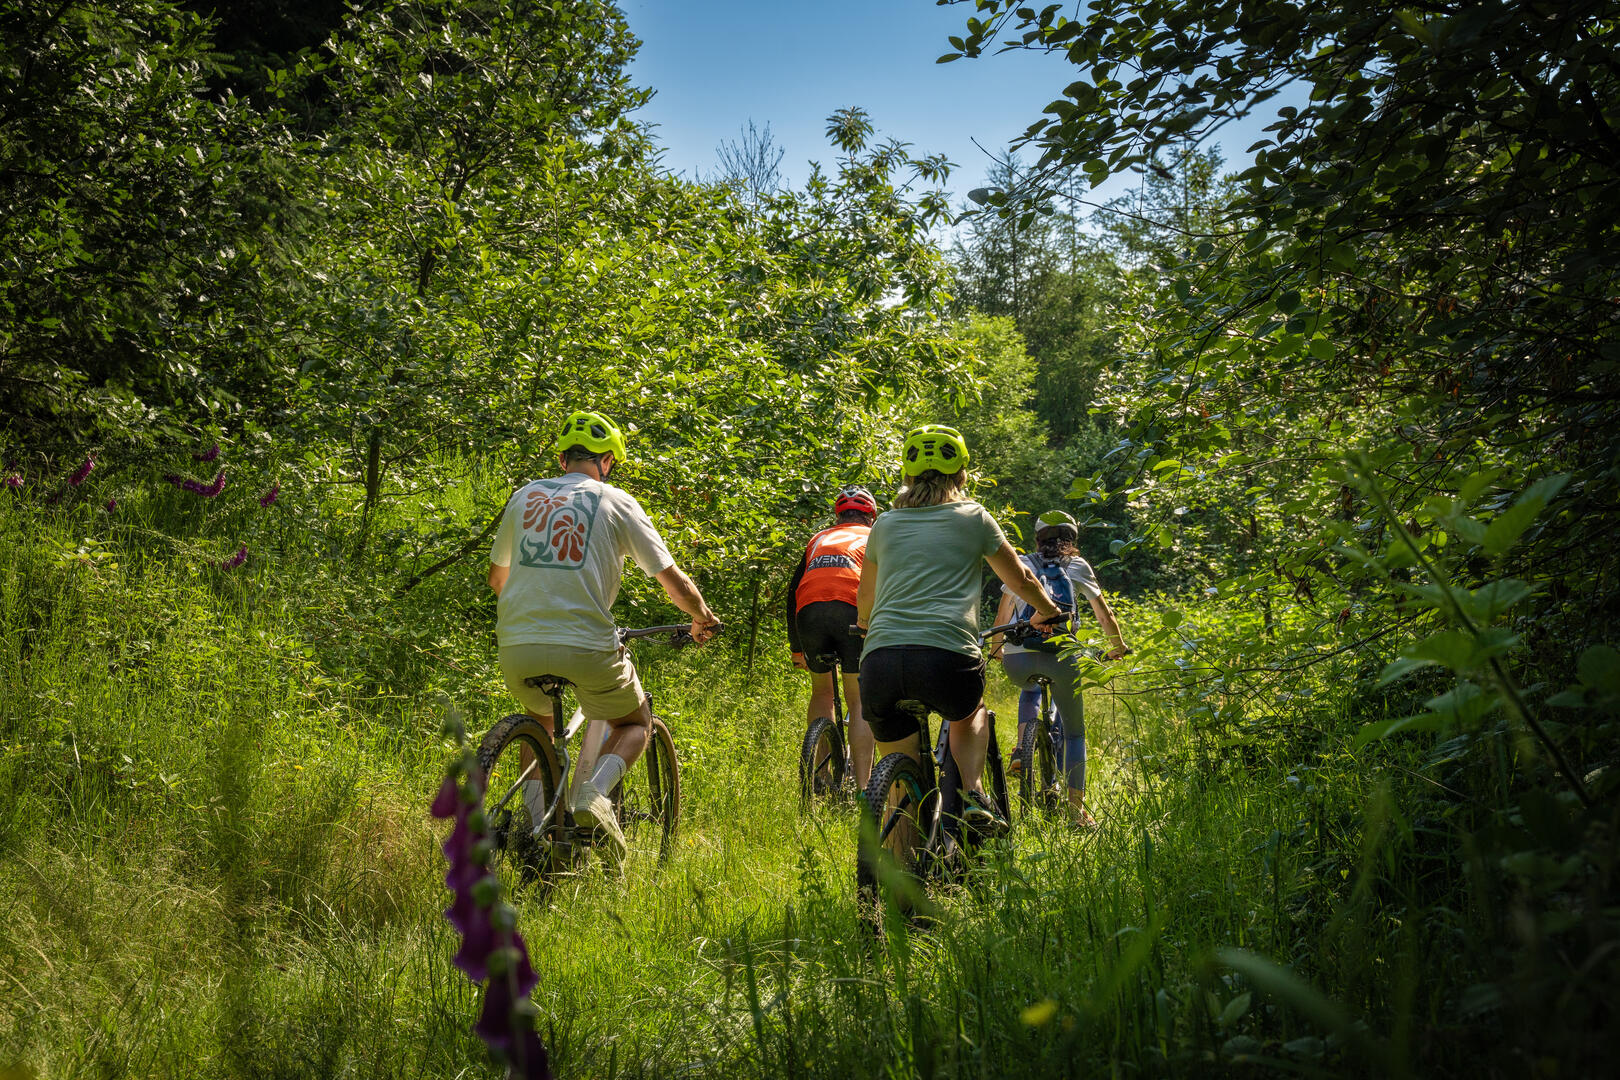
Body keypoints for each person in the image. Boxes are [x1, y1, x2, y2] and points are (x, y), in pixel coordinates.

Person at [488, 409, 719, 861]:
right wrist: (702, 616)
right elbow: (671, 579)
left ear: (561, 459)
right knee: (634, 722)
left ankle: (539, 840)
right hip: (586, 645)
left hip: (517, 646)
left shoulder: (523, 497)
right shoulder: (615, 500)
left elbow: (498, 580)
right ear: (607, 461)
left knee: (542, 723)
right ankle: (592, 797)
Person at [855, 425, 1065, 831]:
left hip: (880, 663)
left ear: (908, 475)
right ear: (961, 474)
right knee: (970, 714)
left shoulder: (884, 524)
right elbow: (1021, 579)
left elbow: (866, 597)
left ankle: (899, 875)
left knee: (903, 778)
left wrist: (866, 627)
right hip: (946, 660)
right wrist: (1048, 611)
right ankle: (972, 792)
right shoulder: (973, 518)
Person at [987, 509, 1129, 829]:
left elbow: (1003, 614)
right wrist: (1117, 647)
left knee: (1029, 687)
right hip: (1062, 657)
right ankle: (1076, 812)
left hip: (1018, 660)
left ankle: (1022, 750)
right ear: (1072, 540)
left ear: (1037, 539)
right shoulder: (1078, 566)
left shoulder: (1021, 563)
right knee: (1075, 732)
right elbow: (1103, 614)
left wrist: (998, 651)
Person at [786, 486, 878, 788]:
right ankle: (864, 788)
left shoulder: (818, 539)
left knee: (822, 693)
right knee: (858, 701)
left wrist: (797, 648)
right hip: (850, 609)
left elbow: (792, 592)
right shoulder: (873, 537)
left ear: (838, 516)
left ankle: (820, 777)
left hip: (809, 613)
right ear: (871, 516)